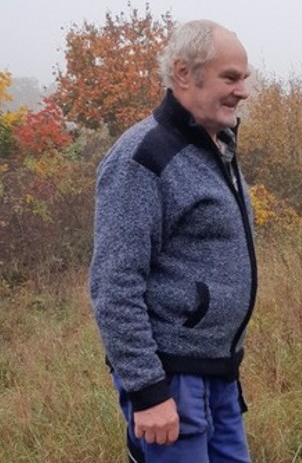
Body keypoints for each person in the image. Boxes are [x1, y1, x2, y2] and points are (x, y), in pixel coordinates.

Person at [89, 19, 255, 463]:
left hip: (218, 373)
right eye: (230, 78)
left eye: (244, 78)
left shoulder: (216, 146)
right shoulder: (142, 157)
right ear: (184, 74)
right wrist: (147, 392)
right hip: (173, 378)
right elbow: (113, 283)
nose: (243, 91)